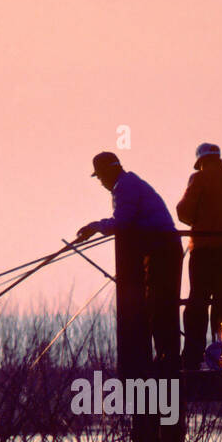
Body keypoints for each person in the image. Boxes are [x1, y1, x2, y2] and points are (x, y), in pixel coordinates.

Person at [76, 152, 183, 378]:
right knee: (160, 304)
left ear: (107, 173)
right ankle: (166, 355)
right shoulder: (130, 183)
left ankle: (167, 357)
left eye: (100, 177)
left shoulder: (124, 187)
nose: (101, 182)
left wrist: (96, 226)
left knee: (159, 304)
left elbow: (122, 222)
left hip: (161, 250)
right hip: (161, 249)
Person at [175, 143, 222, 369]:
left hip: (204, 250)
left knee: (197, 303)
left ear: (200, 161)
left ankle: (193, 355)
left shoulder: (199, 179)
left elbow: (184, 211)